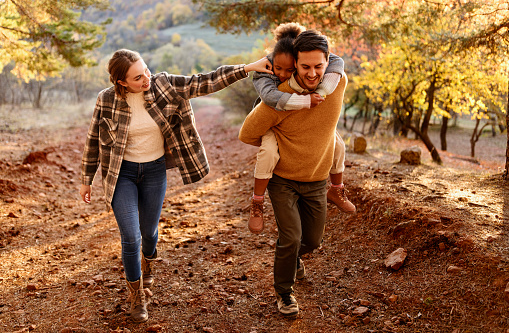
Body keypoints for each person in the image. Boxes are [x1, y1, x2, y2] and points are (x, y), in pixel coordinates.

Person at [79, 49, 272, 323]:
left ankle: (149, 262)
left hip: (155, 171)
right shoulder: (106, 100)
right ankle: (137, 297)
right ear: (121, 82)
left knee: (149, 233)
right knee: (131, 237)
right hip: (121, 174)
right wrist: (86, 179)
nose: (146, 78)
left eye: (146, 70)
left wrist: (250, 67)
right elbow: (93, 141)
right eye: (137, 78)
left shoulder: (164, 85)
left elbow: (206, 81)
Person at [238, 30, 348, 317]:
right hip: (283, 181)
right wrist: (276, 143)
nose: (312, 73)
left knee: (312, 240)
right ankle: (284, 293)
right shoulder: (278, 98)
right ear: (295, 64)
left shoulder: (338, 84)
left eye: (318, 66)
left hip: (316, 179)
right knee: (291, 237)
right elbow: (247, 133)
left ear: (328, 63)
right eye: (305, 67)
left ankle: (292, 259)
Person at [247, 23, 355, 234]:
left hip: (304, 117)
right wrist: (304, 101)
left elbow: (336, 61)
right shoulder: (266, 68)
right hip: (273, 118)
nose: (284, 73)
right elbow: (269, 97)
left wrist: (322, 90)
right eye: (280, 68)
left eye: (290, 69)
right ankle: (257, 202)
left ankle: (336, 189)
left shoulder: (317, 64)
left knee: (337, 144)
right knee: (268, 151)